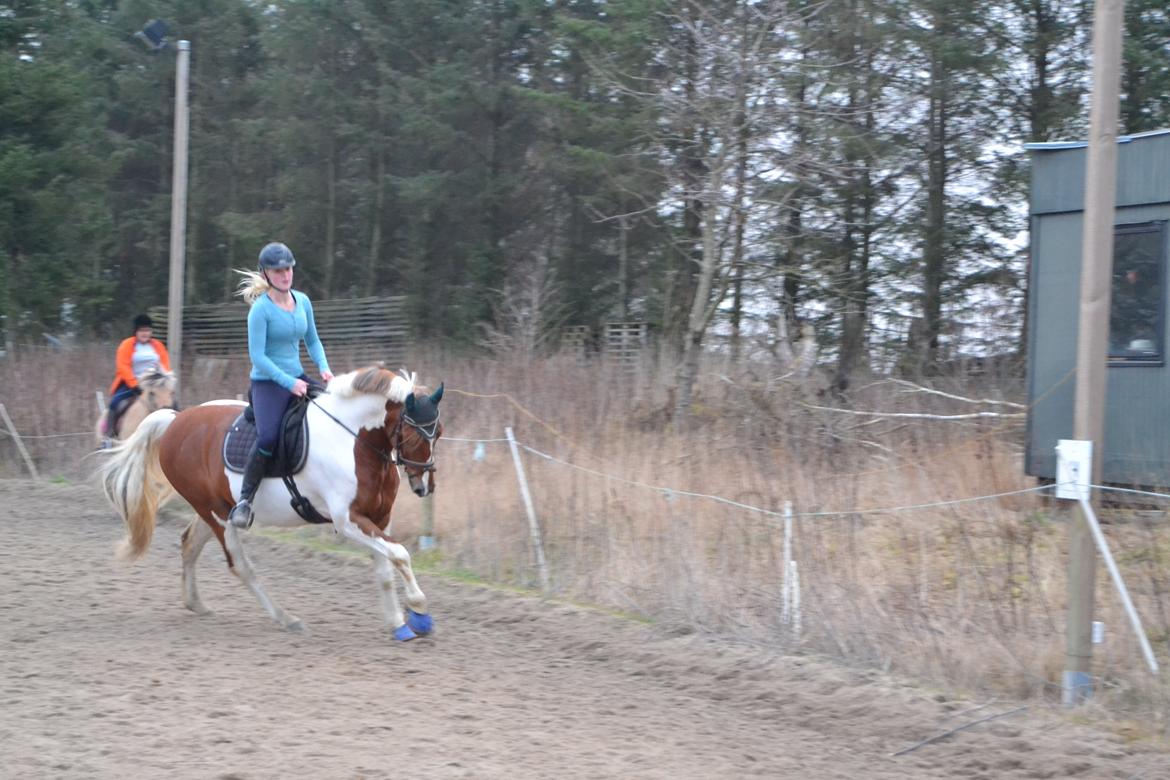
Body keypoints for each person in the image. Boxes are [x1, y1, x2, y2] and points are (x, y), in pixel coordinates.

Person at [228, 241, 334, 528]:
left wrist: (324, 369)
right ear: (265, 275)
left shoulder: (304, 302)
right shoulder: (260, 311)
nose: (285, 275)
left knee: (333, 412)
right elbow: (258, 357)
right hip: (268, 385)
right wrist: (289, 383)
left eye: (288, 269)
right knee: (268, 438)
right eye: (278, 271)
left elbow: (312, 340)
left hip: (298, 377)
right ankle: (245, 501)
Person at [106, 314, 171, 435]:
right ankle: (108, 436)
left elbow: (165, 365)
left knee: (172, 404)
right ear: (136, 331)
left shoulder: (158, 346)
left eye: (147, 330)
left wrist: (164, 381)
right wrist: (134, 384)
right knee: (115, 403)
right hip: (132, 383)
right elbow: (123, 366)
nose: (145, 333)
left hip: (154, 384)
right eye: (142, 330)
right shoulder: (126, 345)